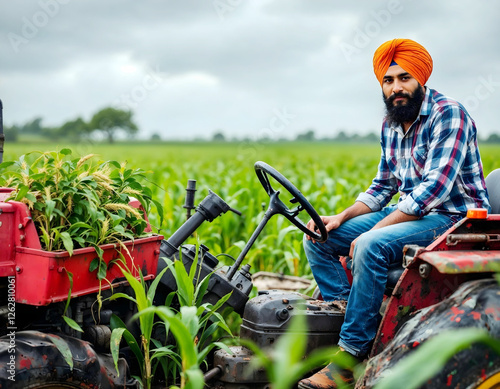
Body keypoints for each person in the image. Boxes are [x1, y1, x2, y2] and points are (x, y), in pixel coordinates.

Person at [298, 38, 490, 389]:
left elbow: (435, 189)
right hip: (413, 214)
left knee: (370, 245)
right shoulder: (391, 124)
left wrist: (371, 231)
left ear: (420, 79)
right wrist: (339, 218)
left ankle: (349, 358)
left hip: (454, 217)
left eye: (404, 78)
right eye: (388, 81)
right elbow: (382, 186)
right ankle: (348, 319)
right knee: (318, 237)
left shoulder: (450, 114)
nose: (396, 87)